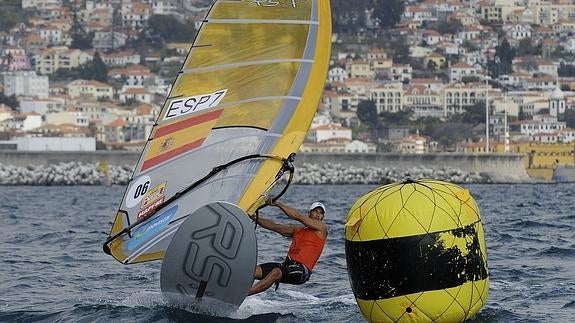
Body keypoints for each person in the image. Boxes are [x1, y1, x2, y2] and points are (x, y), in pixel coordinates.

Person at [248, 200, 328, 296]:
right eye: (315, 211)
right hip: (287, 266)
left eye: (321, 213)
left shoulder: (322, 228)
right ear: (309, 213)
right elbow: (275, 227)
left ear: (323, 217)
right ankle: (236, 295)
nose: (318, 215)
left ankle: (244, 293)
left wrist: (277, 203)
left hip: (302, 270)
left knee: (276, 272)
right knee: (253, 271)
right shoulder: (298, 230)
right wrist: (255, 218)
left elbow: (298, 217)